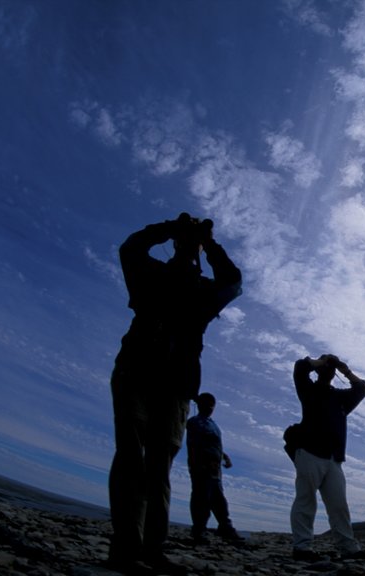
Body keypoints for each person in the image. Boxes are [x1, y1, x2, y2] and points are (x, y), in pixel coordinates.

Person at [107, 213, 242, 575]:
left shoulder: (202, 294)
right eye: (182, 247)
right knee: (133, 458)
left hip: (177, 386)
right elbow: (131, 247)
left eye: (189, 248)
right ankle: (126, 550)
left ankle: (152, 550)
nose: (185, 253)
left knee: (159, 468)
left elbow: (233, 282)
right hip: (136, 373)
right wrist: (170, 228)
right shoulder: (150, 276)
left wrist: (208, 243)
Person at [288, 354, 365, 561]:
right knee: (306, 500)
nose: (328, 367)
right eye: (325, 364)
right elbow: (300, 367)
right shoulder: (308, 390)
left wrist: (345, 369)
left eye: (329, 365)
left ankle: (349, 549)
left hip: (334, 459)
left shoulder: (340, 397)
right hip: (309, 452)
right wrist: (321, 361)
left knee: (339, 505)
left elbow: (362, 389)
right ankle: (302, 548)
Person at [186, 392, 243, 544]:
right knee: (201, 499)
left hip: (215, 469)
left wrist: (224, 457)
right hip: (202, 468)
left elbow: (215, 445)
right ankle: (199, 530)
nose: (210, 407)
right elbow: (194, 445)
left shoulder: (213, 424)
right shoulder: (195, 422)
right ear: (200, 405)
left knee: (219, 500)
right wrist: (200, 463)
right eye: (207, 403)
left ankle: (225, 527)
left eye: (212, 404)